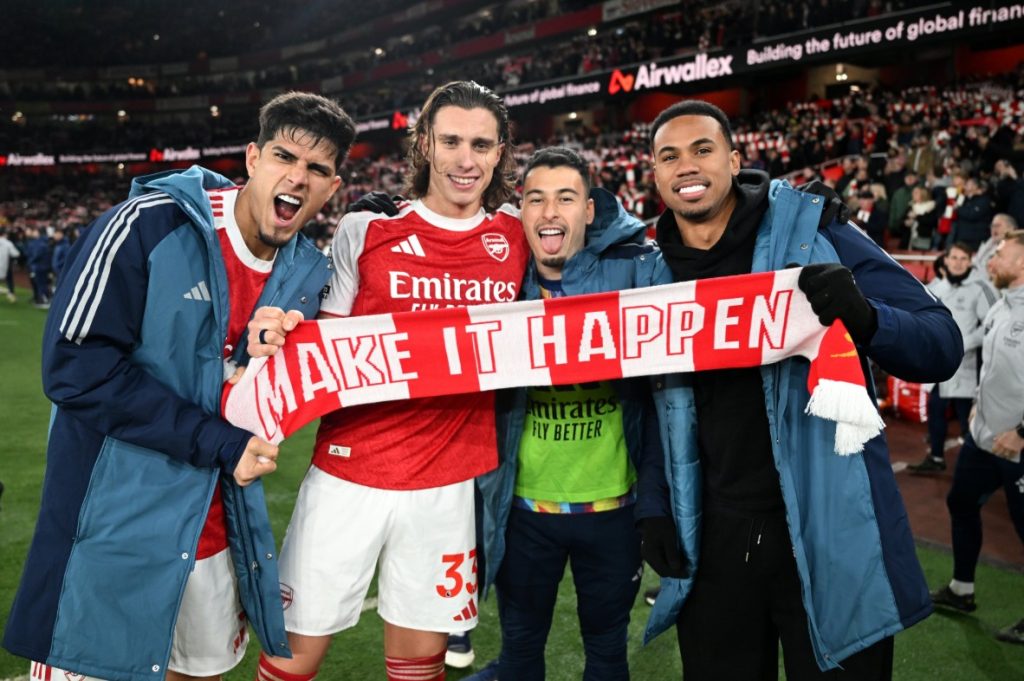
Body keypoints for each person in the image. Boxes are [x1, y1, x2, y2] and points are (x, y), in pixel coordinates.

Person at [3, 91, 356, 681]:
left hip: (219, 533)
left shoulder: (307, 277)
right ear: (251, 159)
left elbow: (257, 385)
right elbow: (75, 366)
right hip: (115, 525)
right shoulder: (148, 224)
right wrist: (219, 440)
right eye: (283, 157)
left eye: (317, 169)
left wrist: (266, 357)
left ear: (332, 187)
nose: (297, 177)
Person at [636, 100, 962, 679]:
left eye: (703, 150)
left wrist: (867, 318)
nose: (687, 166)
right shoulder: (649, 275)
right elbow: (653, 406)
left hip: (828, 529)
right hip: (713, 546)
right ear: (655, 175)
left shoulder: (817, 231)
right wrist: (655, 509)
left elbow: (942, 343)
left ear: (735, 160)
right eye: (670, 156)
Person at [251, 81, 529, 681]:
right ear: (424, 143)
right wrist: (281, 326)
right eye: (451, 140)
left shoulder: (517, 235)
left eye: (481, 144)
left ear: (502, 152)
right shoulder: (368, 230)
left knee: (419, 667)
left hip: (448, 486)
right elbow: (323, 348)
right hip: (350, 474)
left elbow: (600, 241)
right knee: (290, 661)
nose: (465, 159)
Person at [468, 147, 662, 680]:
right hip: (525, 512)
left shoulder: (639, 273)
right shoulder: (497, 282)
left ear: (590, 210)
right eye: (536, 199)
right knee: (521, 652)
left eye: (566, 198)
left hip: (613, 511)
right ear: (521, 211)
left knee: (606, 655)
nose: (550, 212)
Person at [929, 229, 1024, 646]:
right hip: (984, 437)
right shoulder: (1002, 306)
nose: (992, 259)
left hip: (1018, 443)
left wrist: (1022, 433)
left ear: (1022, 263)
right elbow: (996, 368)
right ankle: (962, 590)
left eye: (1001, 254)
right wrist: (977, 407)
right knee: (961, 501)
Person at [909, 243, 996, 473]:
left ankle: (978, 465)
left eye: (963, 258)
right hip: (939, 362)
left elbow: (991, 325)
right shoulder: (935, 287)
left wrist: (963, 342)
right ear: (945, 261)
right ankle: (936, 457)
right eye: (954, 258)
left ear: (970, 262)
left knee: (967, 415)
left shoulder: (980, 288)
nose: (958, 262)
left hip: (966, 364)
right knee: (936, 408)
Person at [973, 213, 1016, 282]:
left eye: (997, 226)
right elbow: (975, 261)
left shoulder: (1014, 249)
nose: (993, 229)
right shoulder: (990, 243)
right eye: (992, 226)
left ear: (1010, 229)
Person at [24, 226, 51, 307]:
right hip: (40, 265)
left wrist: (30, 262)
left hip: (40, 266)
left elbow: (37, 254)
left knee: (41, 283)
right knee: (39, 282)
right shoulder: (40, 242)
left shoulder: (40, 243)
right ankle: (41, 298)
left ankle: (43, 300)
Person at [0, 228, 20, 302]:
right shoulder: (8, 243)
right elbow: (15, 254)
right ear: (5, 234)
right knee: (9, 279)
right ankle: (11, 294)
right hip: (5, 265)